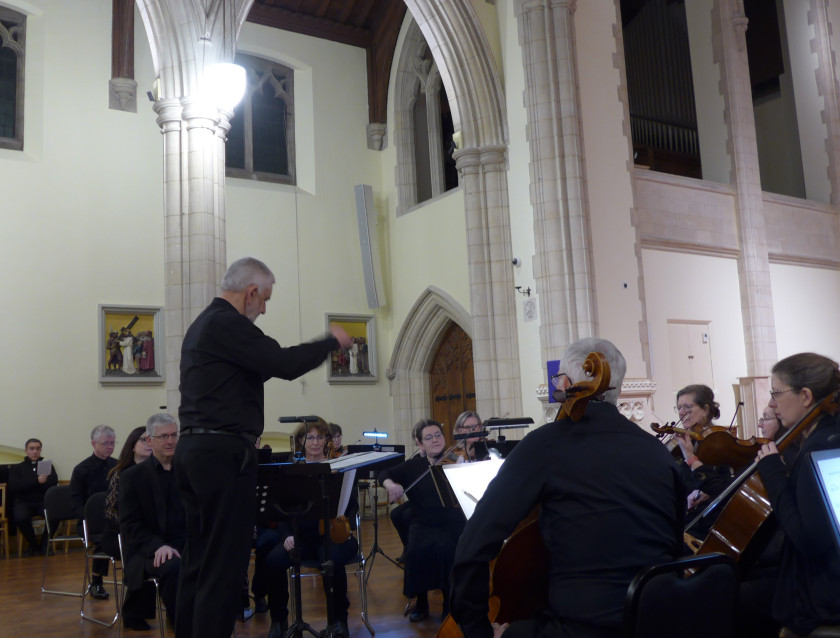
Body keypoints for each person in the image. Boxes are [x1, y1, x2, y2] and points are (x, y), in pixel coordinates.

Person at [450, 337, 685, 638]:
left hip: (578, 628)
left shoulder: (545, 445)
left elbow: (472, 546)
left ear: (564, 383)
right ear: (618, 388)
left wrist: (477, 630)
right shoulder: (658, 453)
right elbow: (674, 549)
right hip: (658, 624)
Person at [174, 256, 351, 638]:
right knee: (224, 567)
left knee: (199, 562)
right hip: (222, 456)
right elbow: (283, 363)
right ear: (251, 292)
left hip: (195, 452)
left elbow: (256, 369)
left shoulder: (204, 325)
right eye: (265, 299)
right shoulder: (228, 323)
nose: (264, 309)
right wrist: (330, 342)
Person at [739, 353, 840, 637]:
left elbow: (807, 539)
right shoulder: (830, 435)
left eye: (776, 392)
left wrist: (773, 472)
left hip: (820, 596)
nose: (772, 403)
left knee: (726, 601)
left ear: (805, 396)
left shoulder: (817, 449)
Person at [256, 419, 359, 638]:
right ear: (301, 441)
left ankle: (339, 621)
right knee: (273, 561)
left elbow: (352, 505)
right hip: (299, 536)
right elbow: (280, 510)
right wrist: (286, 536)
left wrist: (347, 523)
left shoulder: (337, 468)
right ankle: (279, 621)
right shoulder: (291, 470)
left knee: (332, 561)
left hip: (330, 535)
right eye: (309, 437)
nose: (315, 442)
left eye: (320, 437)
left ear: (327, 440)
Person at [379, 419, 467, 622]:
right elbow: (384, 474)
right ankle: (422, 603)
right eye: (428, 437)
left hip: (452, 521)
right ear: (420, 444)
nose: (435, 440)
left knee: (447, 550)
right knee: (415, 551)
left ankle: (448, 605)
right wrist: (391, 485)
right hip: (423, 522)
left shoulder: (455, 462)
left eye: (438, 435)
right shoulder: (413, 466)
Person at [120, 413, 185, 631]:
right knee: (173, 565)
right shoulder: (132, 477)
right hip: (149, 549)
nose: (171, 441)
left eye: (174, 435)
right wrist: (158, 546)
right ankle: (182, 625)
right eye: (164, 436)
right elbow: (130, 526)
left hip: (185, 542)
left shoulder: (187, 471)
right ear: (150, 440)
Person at [671, 384, 733, 537]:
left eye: (687, 407)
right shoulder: (685, 442)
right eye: (679, 408)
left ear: (705, 410)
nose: (681, 412)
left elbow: (724, 485)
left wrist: (690, 457)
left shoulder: (721, 442)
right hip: (685, 518)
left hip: (709, 524)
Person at [70, 424, 118, 599]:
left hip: (115, 518)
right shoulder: (81, 469)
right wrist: (87, 519)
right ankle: (97, 582)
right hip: (90, 522)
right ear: (93, 444)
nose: (110, 447)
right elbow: (75, 501)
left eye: (112, 443)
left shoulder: (117, 465)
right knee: (104, 538)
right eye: (105, 443)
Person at [102, 426, 153, 560]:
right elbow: (112, 514)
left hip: (151, 531)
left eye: (151, 440)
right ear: (132, 445)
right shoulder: (121, 474)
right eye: (144, 440)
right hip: (121, 533)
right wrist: (138, 528)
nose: (149, 444)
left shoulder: (158, 471)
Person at [8, 438, 59, 556]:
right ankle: (33, 544)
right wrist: (36, 481)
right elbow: (14, 486)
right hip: (23, 502)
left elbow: (53, 483)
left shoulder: (47, 466)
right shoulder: (17, 468)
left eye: (37, 449)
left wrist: (43, 482)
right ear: (26, 451)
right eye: (31, 449)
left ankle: (45, 543)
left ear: (40, 450)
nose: (35, 451)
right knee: (21, 517)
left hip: (42, 501)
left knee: (55, 515)